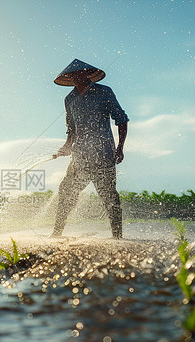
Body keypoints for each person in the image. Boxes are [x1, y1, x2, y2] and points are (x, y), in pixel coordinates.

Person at [51, 59, 128, 239]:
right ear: (69, 77)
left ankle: (117, 237)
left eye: (79, 73)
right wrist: (66, 147)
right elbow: (72, 130)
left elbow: (121, 120)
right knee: (66, 192)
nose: (76, 77)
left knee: (109, 197)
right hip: (79, 157)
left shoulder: (104, 92)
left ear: (86, 73)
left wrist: (120, 148)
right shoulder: (69, 99)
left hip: (103, 155)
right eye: (72, 75)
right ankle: (56, 233)